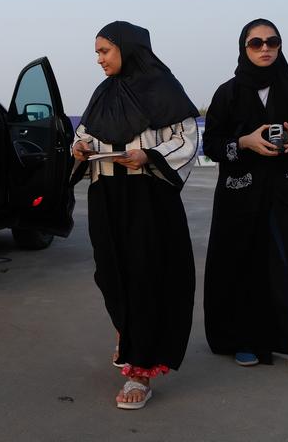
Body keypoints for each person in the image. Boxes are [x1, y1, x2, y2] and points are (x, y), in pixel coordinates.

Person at [71, 21, 199, 409]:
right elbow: (87, 133)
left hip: (149, 197)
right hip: (105, 195)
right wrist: (80, 148)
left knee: (146, 278)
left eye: (104, 51)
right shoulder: (104, 92)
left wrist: (149, 156)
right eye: (96, 52)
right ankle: (128, 335)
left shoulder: (164, 90)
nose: (99, 59)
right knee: (110, 274)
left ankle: (140, 369)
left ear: (128, 49)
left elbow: (187, 140)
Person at [203, 18, 288, 370]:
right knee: (242, 260)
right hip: (241, 193)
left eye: (272, 41)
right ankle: (243, 337)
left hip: (283, 188)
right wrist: (244, 142)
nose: (265, 48)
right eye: (256, 42)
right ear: (243, 47)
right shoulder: (228, 92)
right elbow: (212, 143)